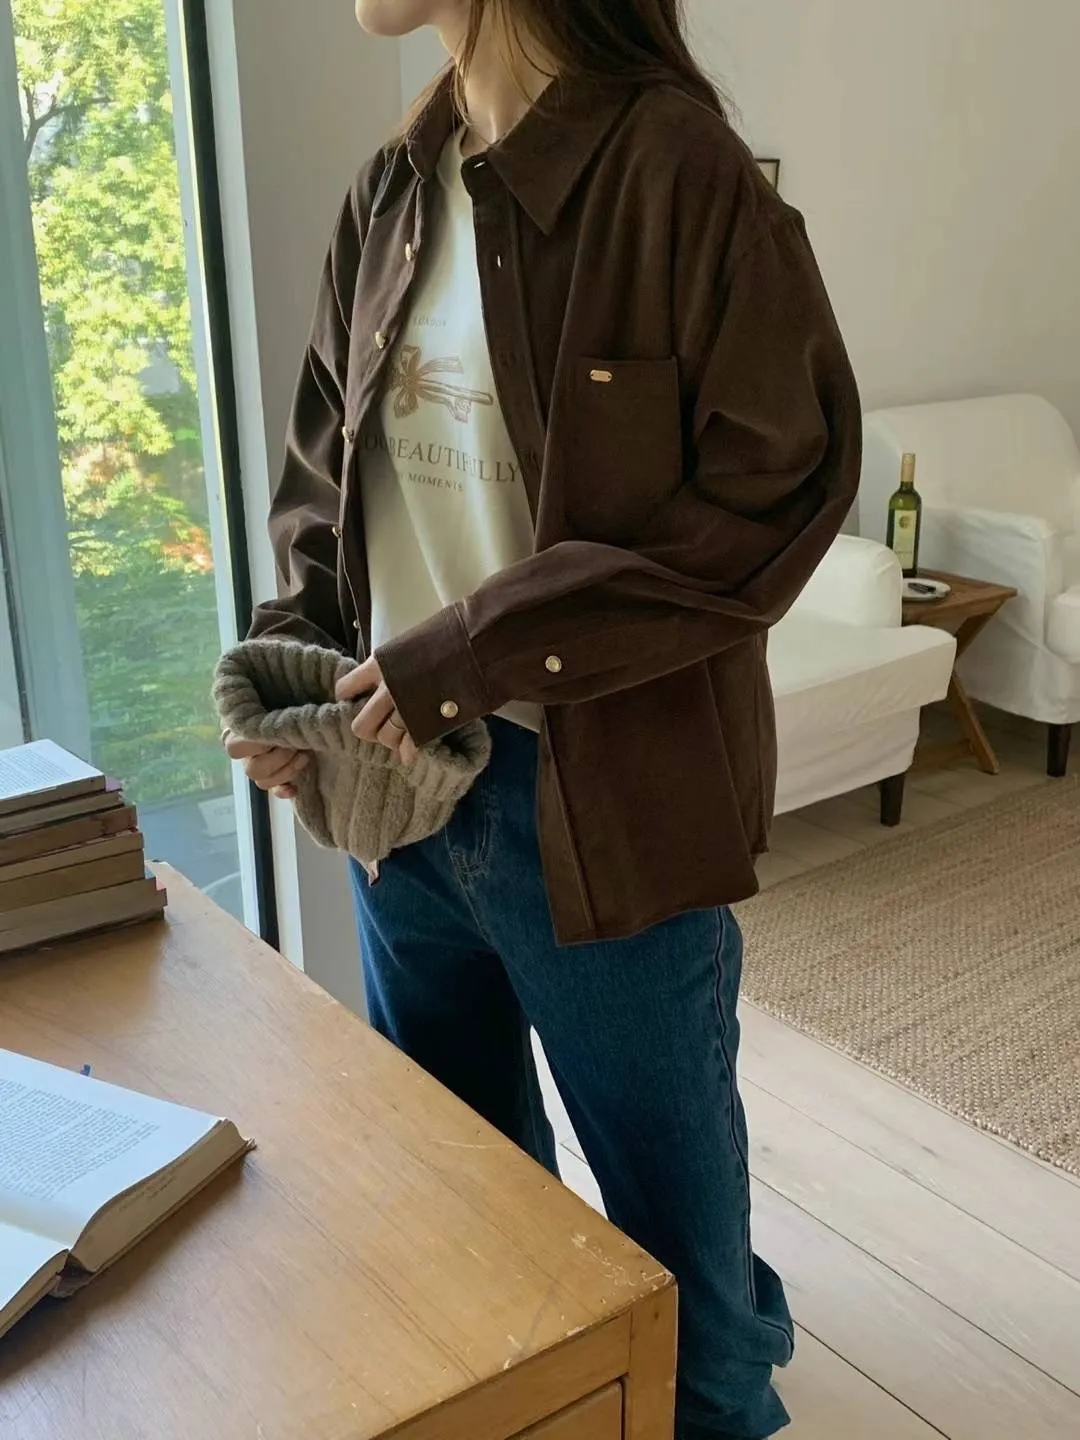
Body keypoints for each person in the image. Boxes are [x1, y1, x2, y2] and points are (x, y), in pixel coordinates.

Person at [225, 1, 861, 1434]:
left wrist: (470, 651)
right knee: (475, 1228)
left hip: (608, 809)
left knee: (682, 1275)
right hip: (397, 798)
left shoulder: (678, 174)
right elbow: (327, 487)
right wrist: (293, 672)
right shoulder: (394, 189)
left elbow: (770, 504)